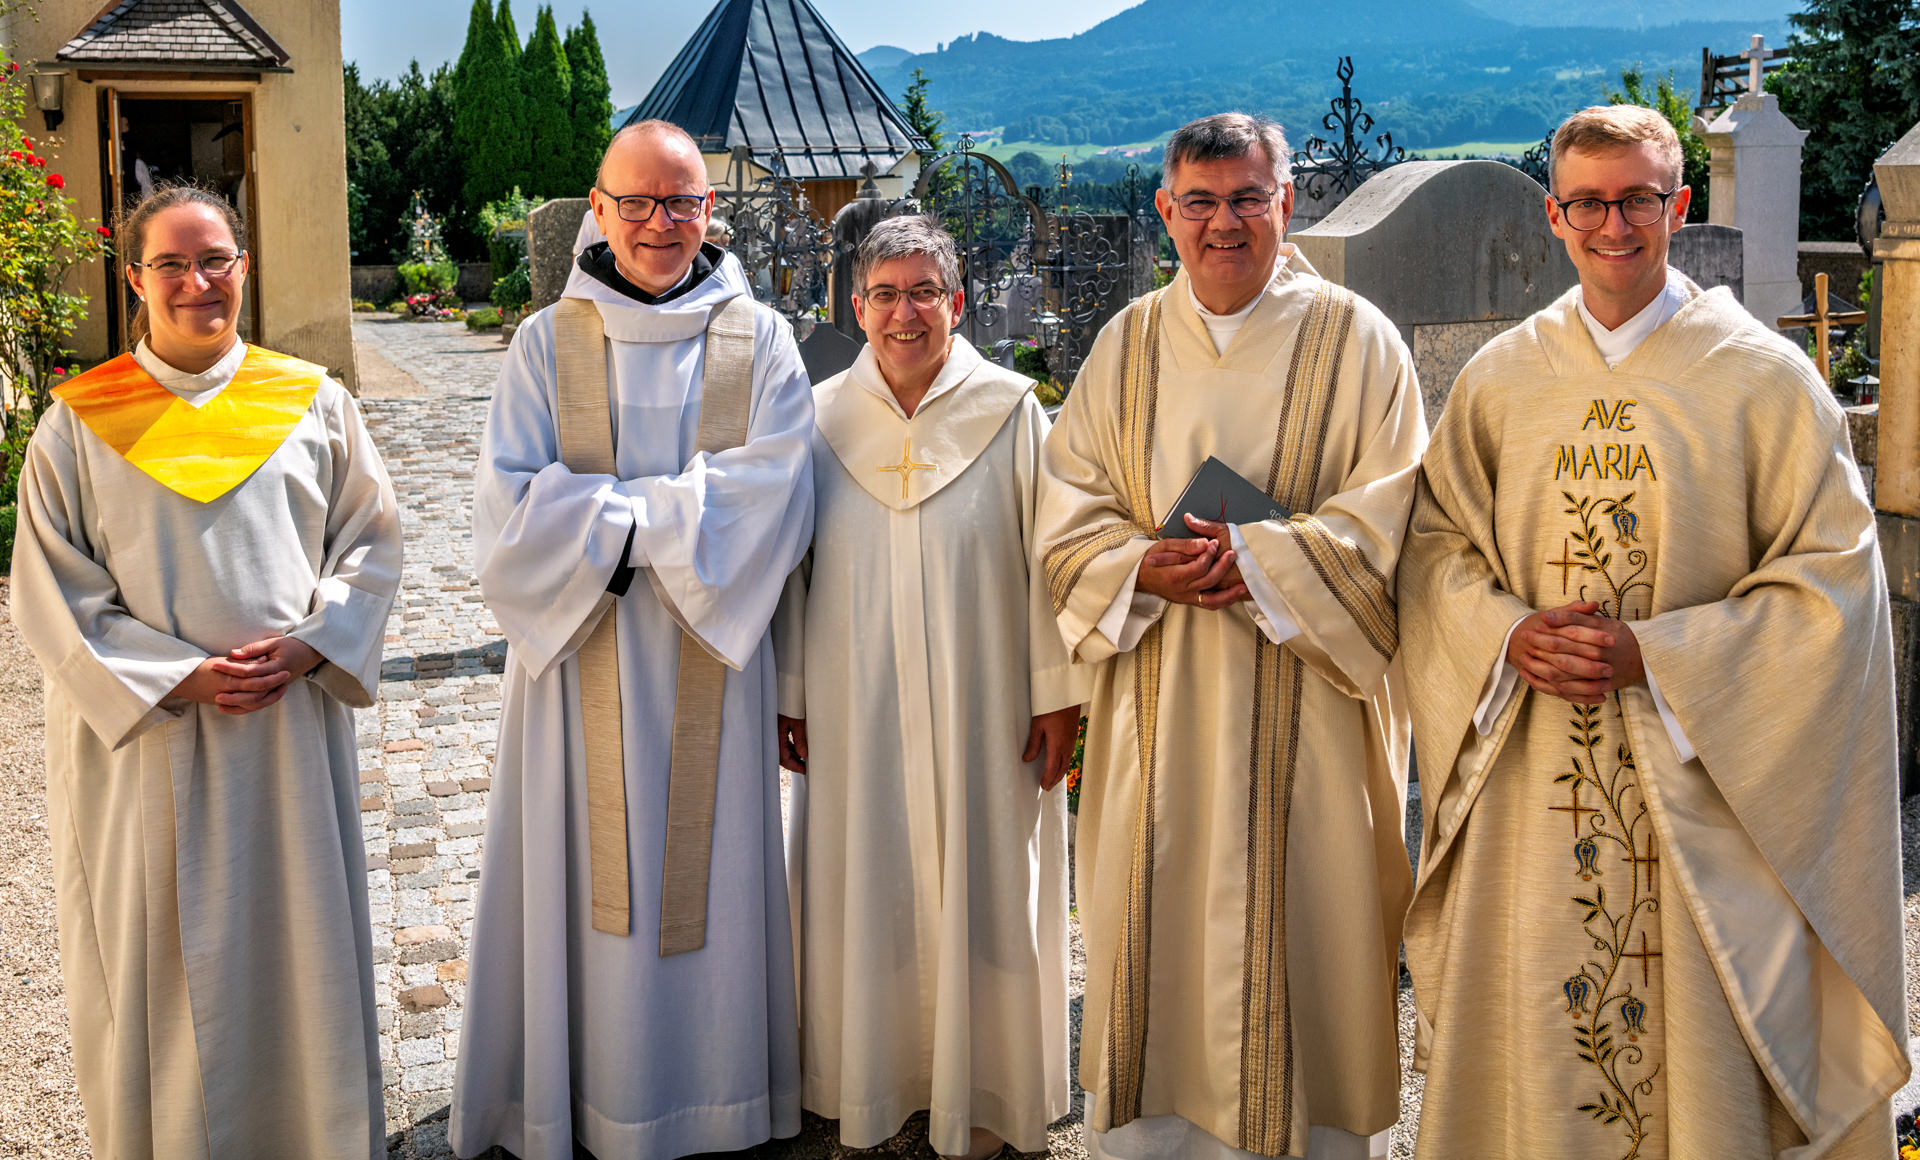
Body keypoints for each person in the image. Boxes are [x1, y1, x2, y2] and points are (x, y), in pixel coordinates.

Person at [1400, 104, 1909, 1158]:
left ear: (1677, 206)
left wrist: (1664, 658)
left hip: (1707, 796)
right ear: (1554, 216)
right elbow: (1435, 553)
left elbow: (1835, 587)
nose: (1613, 225)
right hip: (1533, 780)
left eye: (1637, 199)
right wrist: (1506, 634)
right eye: (1587, 203)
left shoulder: (1761, 378)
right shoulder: (1501, 381)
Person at [1036, 112, 1426, 1160]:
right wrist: (1135, 565)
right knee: (1152, 932)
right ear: (1166, 211)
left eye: (1248, 198)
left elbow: (1394, 522)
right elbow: (1066, 510)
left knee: (1306, 935)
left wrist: (1261, 559)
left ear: (1285, 203)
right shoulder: (1125, 345)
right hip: (1158, 698)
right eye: (1200, 202)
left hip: (1307, 717)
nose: (1224, 223)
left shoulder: (1358, 341)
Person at [450, 119, 815, 1160]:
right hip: (577, 666)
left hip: (716, 667)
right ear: (599, 210)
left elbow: (778, 489)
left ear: (711, 210)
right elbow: (508, 513)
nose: (662, 223)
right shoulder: (545, 342)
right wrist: (672, 522)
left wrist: (610, 519)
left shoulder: (761, 339)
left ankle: (715, 1097)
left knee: (711, 878)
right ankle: (575, 1099)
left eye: (683, 201)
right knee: (583, 881)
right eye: (640, 202)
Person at [13, 183, 401, 1158]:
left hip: (286, 734)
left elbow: (371, 542)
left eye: (216, 259)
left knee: (299, 950)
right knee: (161, 972)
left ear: (244, 266)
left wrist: (315, 641)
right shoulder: (81, 425)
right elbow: (53, 594)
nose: (199, 283)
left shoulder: (310, 401)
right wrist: (177, 675)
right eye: (173, 265)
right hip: (154, 750)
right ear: (135, 279)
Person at [774, 216, 1084, 1160]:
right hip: (853, 698)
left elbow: (1050, 558)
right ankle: (869, 1074)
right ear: (856, 305)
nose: (903, 314)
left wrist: (1057, 692)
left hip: (984, 699)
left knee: (986, 878)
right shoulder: (816, 418)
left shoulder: (1010, 411)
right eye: (884, 294)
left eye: (922, 293)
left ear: (957, 302)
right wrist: (791, 691)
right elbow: (792, 568)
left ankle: (987, 1083)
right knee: (864, 872)